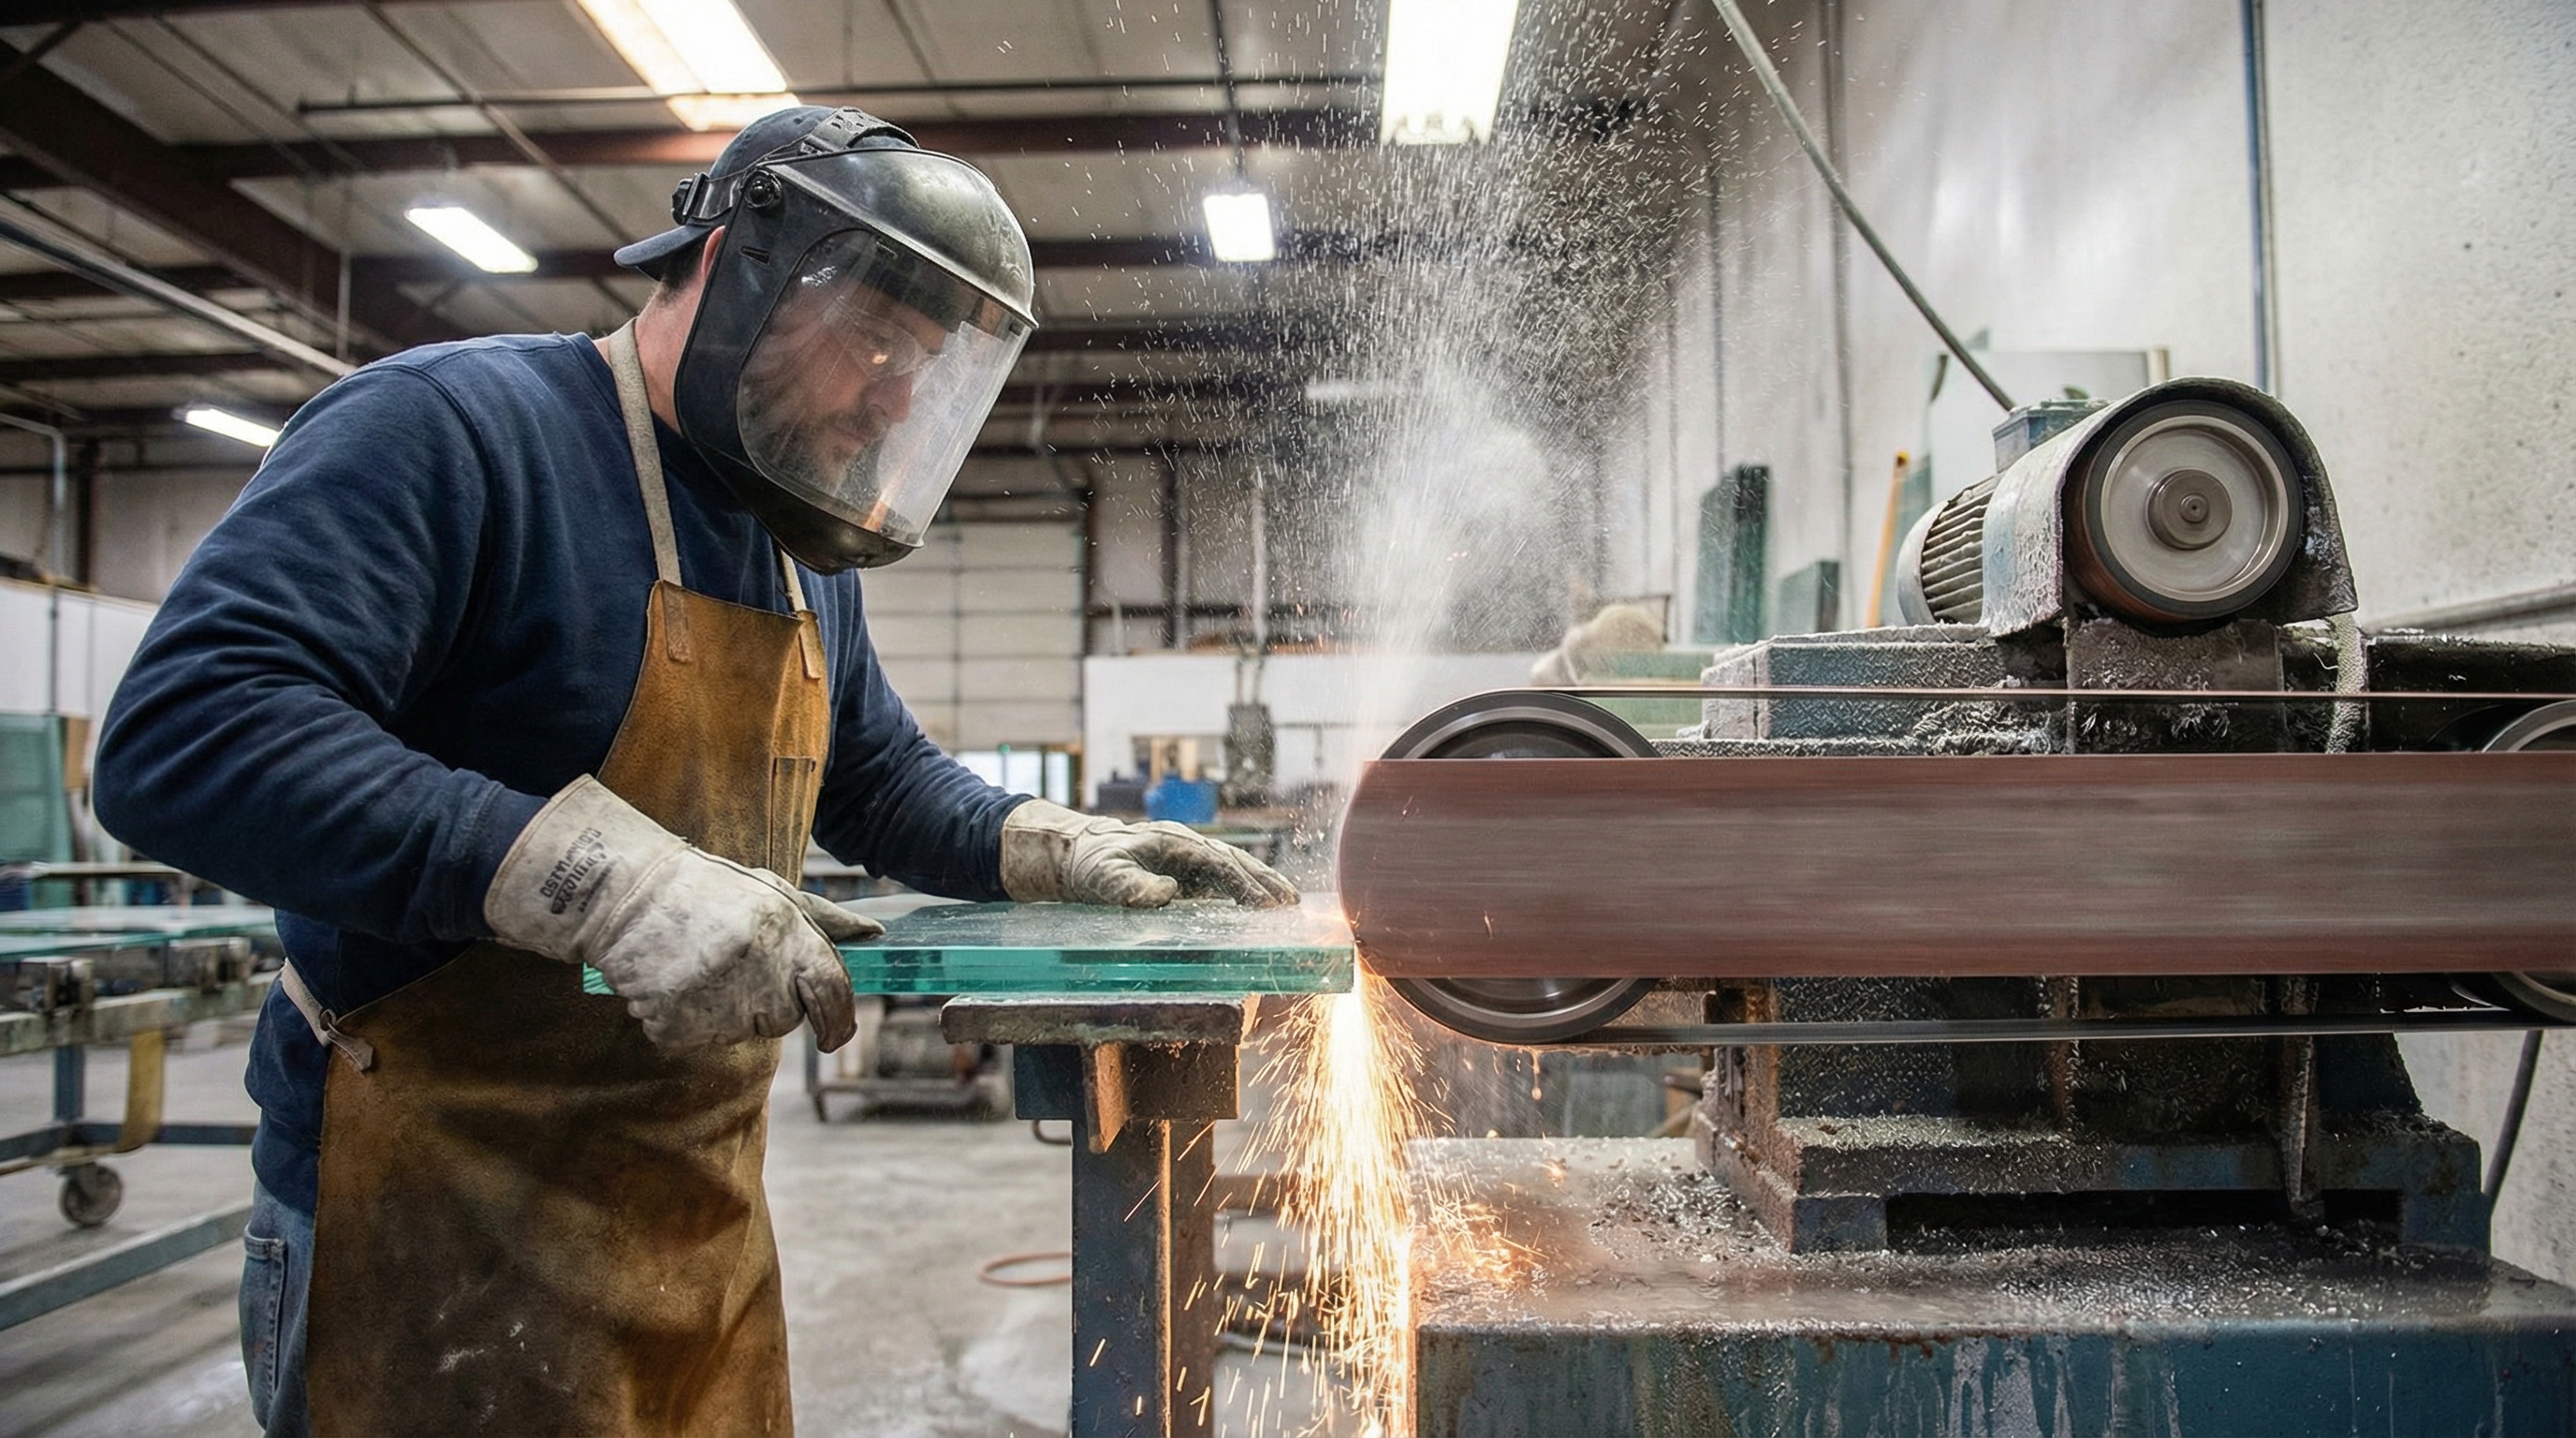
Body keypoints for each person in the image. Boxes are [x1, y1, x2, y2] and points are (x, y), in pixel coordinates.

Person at [91, 107, 1295, 1438]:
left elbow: (875, 776)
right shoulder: (453, 432)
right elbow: (189, 731)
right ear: (744, 273)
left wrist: (1039, 839)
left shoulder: (791, 542)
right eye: (881, 347)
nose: (899, 400)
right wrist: (595, 881)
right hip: (435, 1216)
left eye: (929, 368)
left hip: (694, 1221)